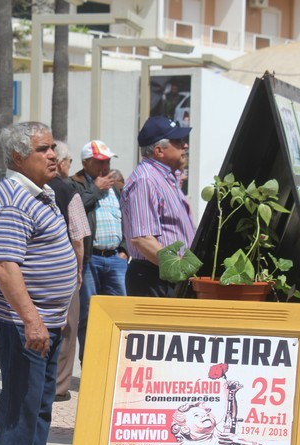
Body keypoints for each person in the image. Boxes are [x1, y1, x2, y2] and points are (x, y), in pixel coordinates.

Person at [0, 121, 77, 445]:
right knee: (21, 400)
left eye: (52, 147)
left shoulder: (41, 192)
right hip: (18, 321)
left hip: (44, 319)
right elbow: (5, 266)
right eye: (43, 149)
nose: (53, 155)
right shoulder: (13, 200)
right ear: (19, 157)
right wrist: (32, 320)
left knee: (39, 400)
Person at [122, 116, 197, 297]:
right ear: (159, 150)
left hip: (167, 276)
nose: (185, 145)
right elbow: (143, 239)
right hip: (155, 277)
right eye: (177, 141)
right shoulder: (145, 180)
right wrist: (181, 270)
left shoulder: (164, 178)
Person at [71, 140, 127, 362]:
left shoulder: (115, 187)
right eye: (100, 162)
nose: (105, 167)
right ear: (85, 163)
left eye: (108, 162)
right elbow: (75, 209)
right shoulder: (76, 184)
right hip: (90, 259)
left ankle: (114, 363)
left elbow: (125, 217)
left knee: (119, 313)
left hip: (115, 258)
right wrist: (96, 188)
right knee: (88, 315)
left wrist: (124, 250)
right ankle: (90, 363)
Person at [49, 141, 90, 402]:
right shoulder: (68, 191)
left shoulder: (26, 188)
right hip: (63, 270)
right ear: (61, 163)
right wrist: (79, 269)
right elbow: (78, 237)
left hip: (32, 270)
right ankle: (59, 386)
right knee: (67, 328)